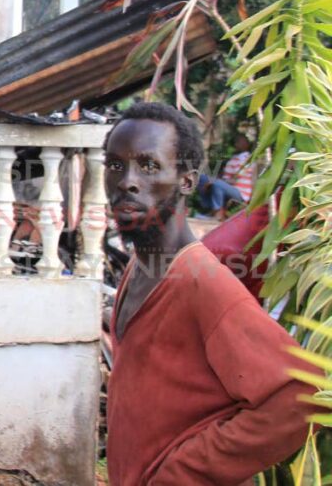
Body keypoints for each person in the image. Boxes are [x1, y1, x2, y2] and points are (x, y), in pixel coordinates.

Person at [104, 102, 317, 486]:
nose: (127, 181)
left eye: (149, 166)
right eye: (115, 164)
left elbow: (303, 395)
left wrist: (184, 473)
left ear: (187, 181)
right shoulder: (141, 267)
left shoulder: (203, 283)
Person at [221, 134, 256, 203]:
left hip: (245, 194)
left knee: (217, 184)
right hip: (236, 191)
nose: (243, 144)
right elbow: (226, 179)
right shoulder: (233, 161)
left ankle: (218, 211)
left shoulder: (254, 159)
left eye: (245, 141)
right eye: (239, 142)